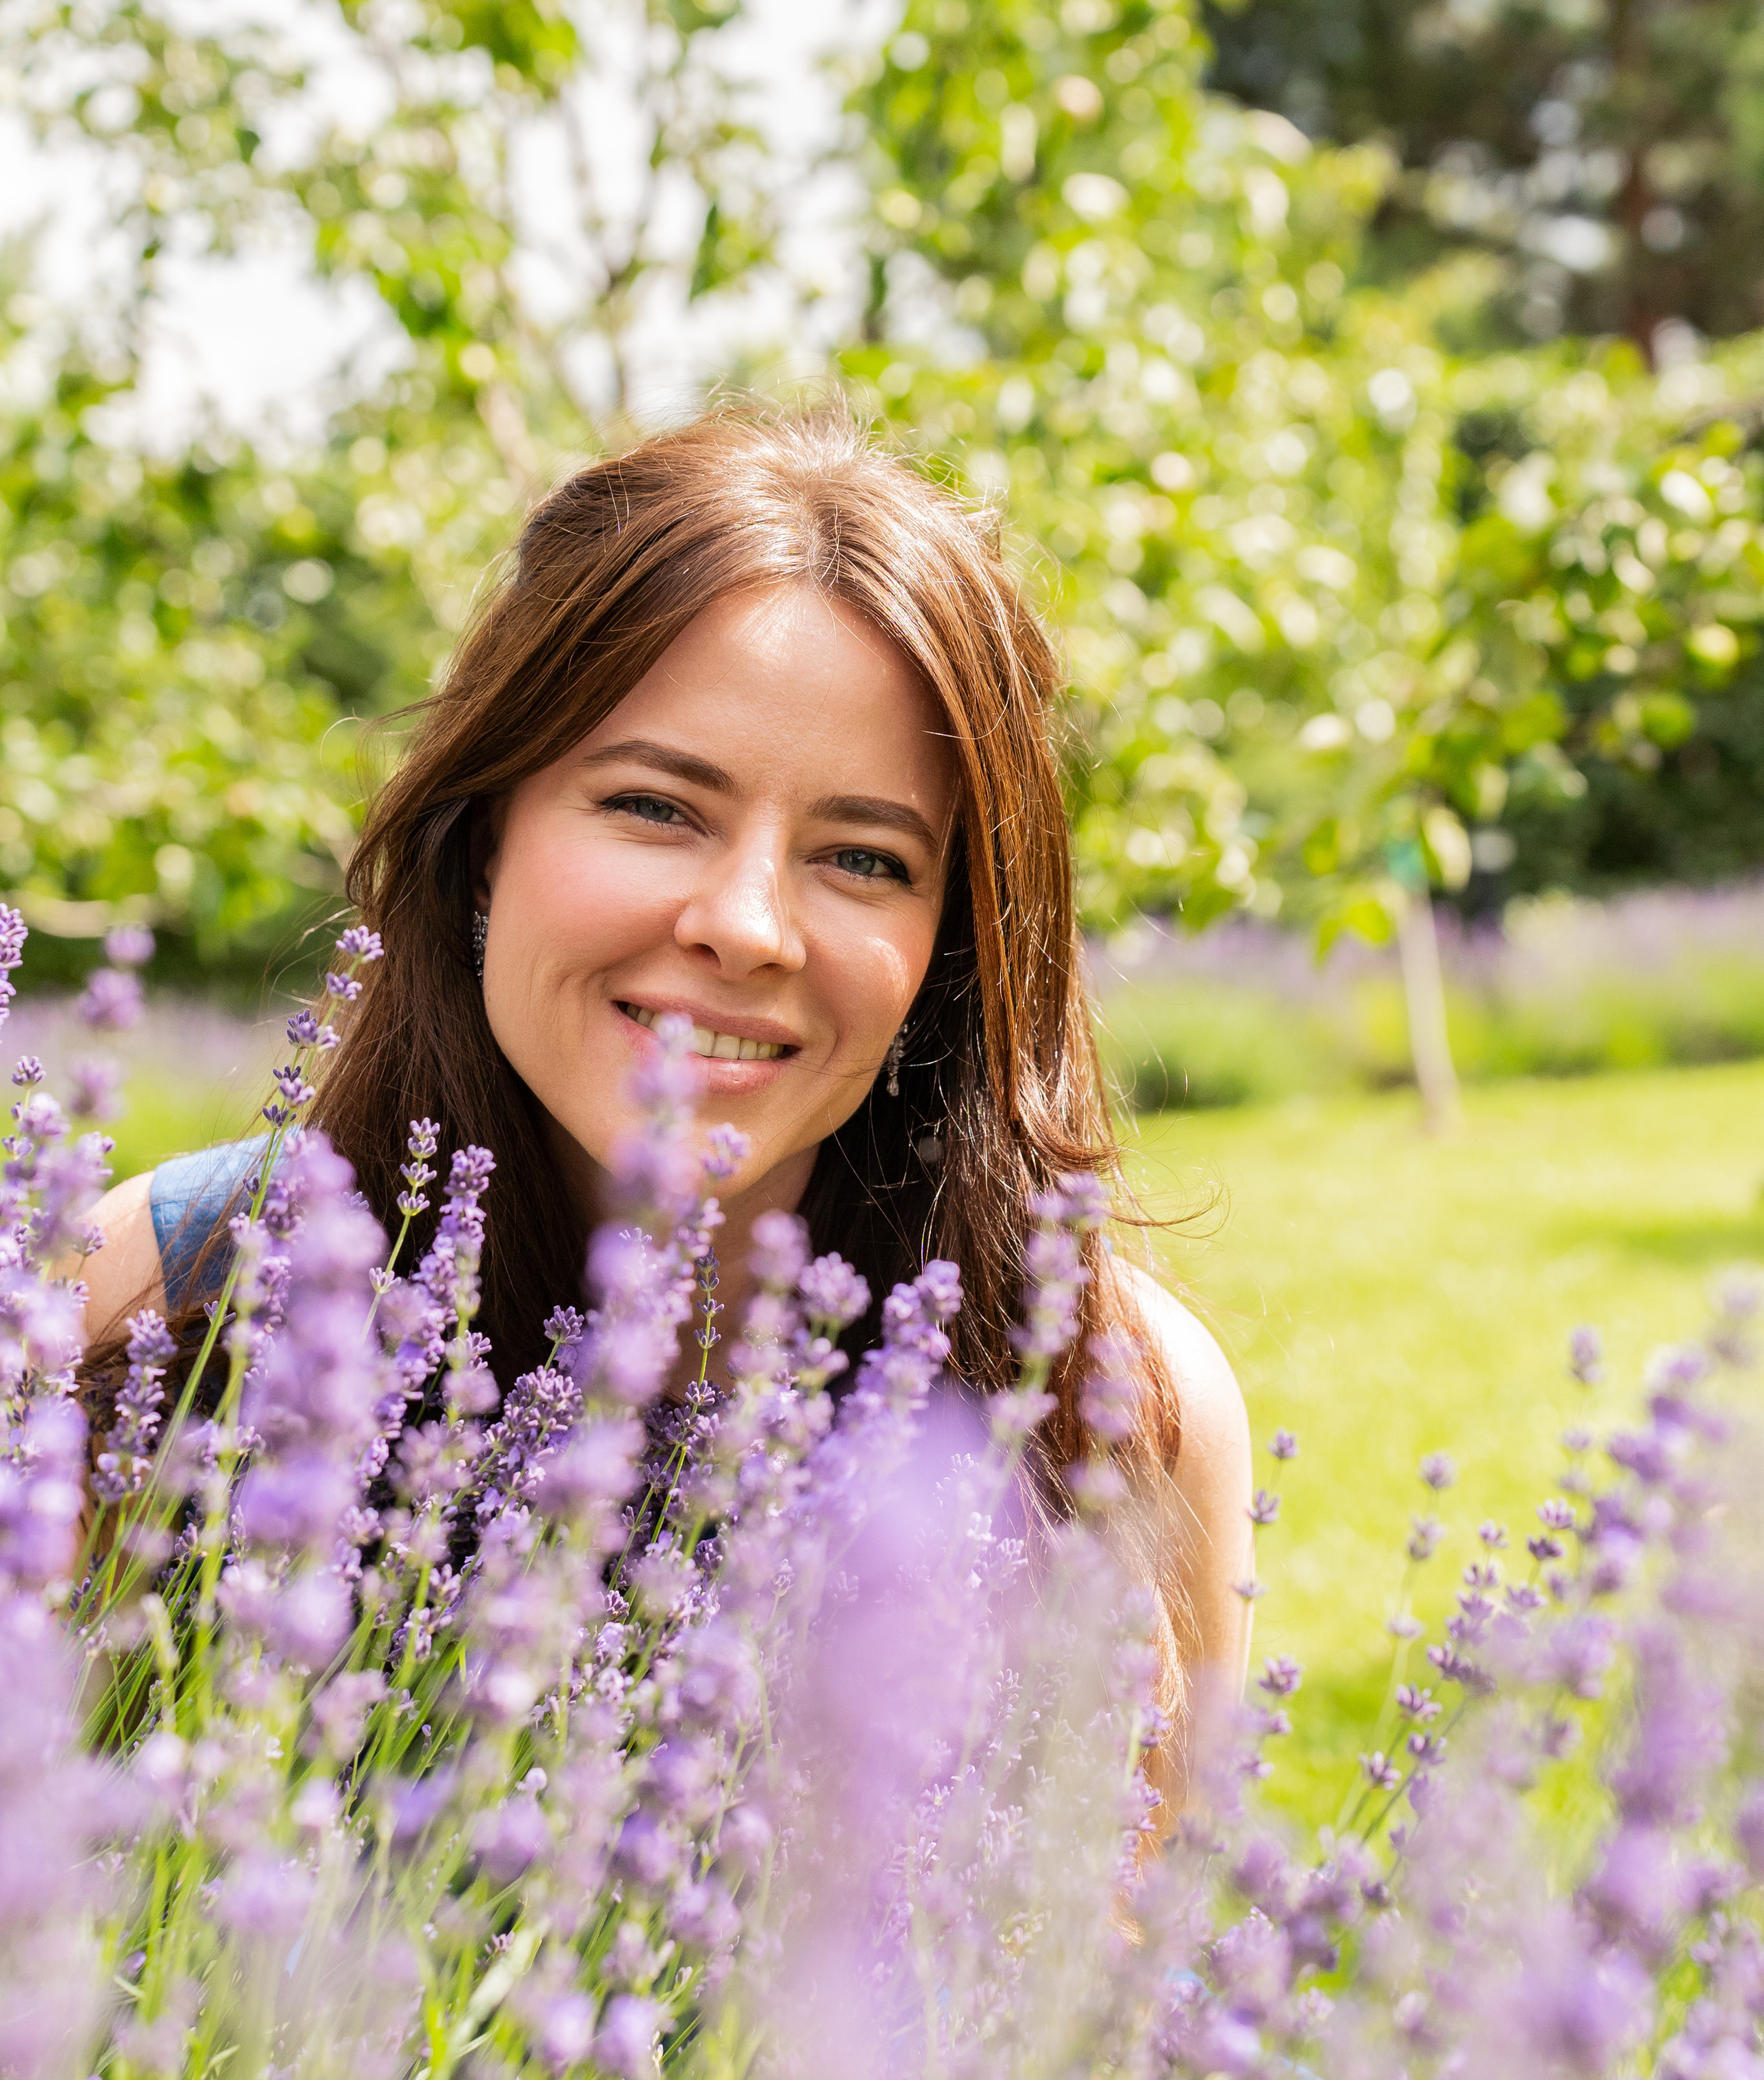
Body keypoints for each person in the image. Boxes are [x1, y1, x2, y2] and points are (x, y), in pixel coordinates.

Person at [79, 403, 1253, 1803]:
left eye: (863, 858)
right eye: (654, 807)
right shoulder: (162, 1294)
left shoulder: (1108, 1402)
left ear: (948, 949)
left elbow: (1119, 1974)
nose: (747, 925)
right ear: (483, 840)